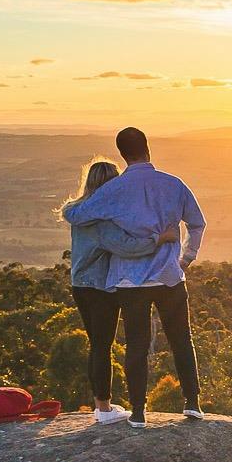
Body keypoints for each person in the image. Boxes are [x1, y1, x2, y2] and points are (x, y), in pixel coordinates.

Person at [61, 126, 207, 428]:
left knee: (137, 346)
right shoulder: (174, 184)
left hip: (131, 281)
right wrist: (186, 258)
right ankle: (192, 404)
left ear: (123, 154)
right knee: (182, 339)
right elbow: (197, 223)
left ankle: (139, 412)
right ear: (147, 148)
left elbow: (75, 216)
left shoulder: (113, 190)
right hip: (169, 275)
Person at [60, 158, 166, 424]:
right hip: (99, 287)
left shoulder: (80, 211)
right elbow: (126, 247)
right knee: (102, 345)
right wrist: (159, 239)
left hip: (81, 284)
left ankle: (101, 405)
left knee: (97, 344)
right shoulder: (101, 220)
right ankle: (104, 409)